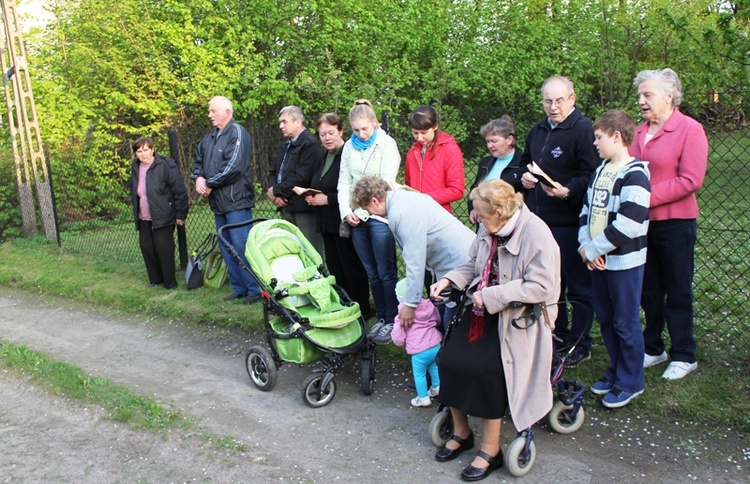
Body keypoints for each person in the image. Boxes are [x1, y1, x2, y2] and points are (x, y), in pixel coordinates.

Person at [430, 179, 560, 481]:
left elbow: (542, 286)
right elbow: (473, 264)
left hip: (519, 318)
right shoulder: (488, 226)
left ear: (500, 212)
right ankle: (462, 433)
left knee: (486, 371)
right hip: (480, 309)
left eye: (480, 213)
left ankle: (491, 450)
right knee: (449, 360)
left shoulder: (536, 234)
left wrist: (491, 296)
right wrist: (449, 280)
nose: (475, 217)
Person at [629, 68, 708, 380]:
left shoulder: (690, 129)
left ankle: (684, 353)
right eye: (640, 96)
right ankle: (653, 347)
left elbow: (691, 180)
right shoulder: (637, 132)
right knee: (649, 289)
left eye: (647, 95)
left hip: (676, 223)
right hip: (642, 226)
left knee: (677, 290)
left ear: (669, 96)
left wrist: (642, 198)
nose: (641, 101)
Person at [520, 76, 600, 367]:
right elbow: (525, 161)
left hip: (570, 221)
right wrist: (525, 178)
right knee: (551, 282)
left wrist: (567, 191)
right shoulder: (538, 130)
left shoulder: (583, 130)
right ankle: (558, 333)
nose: (553, 107)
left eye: (559, 100)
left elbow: (592, 174)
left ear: (572, 98)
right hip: (540, 220)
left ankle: (581, 341)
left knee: (578, 286)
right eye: (547, 101)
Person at [578, 110, 651, 408]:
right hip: (596, 261)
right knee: (606, 318)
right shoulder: (600, 170)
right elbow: (586, 211)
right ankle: (616, 370)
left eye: (598, 137)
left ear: (616, 136)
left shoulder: (635, 173)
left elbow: (630, 223)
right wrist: (585, 247)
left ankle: (631, 380)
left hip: (623, 263)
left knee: (625, 321)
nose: (595, 143)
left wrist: (595, 249)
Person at [350, 175, 475, 331]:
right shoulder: (402, 198)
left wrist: (410, 304)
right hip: (459, 258)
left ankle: (450, 352)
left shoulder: (401, 213)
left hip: (460, 263)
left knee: (453, 323)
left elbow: (415, 262)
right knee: (444, 317)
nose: (372, 215)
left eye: (368, 210)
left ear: (375, 201)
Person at [337, 99, 401, 344]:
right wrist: (346, 212)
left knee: (386, 272)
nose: (361, 134)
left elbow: (386, 181)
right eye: (356, 130)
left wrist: (363, 213)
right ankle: (382, 318)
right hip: (355, 218)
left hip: (378, 215)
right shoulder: (348, 148)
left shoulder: (387, 144)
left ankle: (394, 318)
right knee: (371, 272)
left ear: (375, 123)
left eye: (365, 128)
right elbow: (344, 182)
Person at [192, 96, 261, 305]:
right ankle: (238, 288)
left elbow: (234, 166)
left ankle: (254, 289)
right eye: (209, 111)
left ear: (227, 112)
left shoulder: (238, 133)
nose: (209, 115)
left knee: (242, 246)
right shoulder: (209, 138)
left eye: (213, 111)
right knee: (226, 246)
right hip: (218, 203)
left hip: (236, 200)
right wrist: (198, 179)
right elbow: (198, 161)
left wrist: (209, 182)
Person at [305, 113, 371, 317]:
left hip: (344, 219)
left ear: (341, 131)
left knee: (351, 266)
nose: (327, 138)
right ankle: (344, 304)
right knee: (335, 267)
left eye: (331, 133)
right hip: (326, 221)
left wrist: (328, 199)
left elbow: (352, 187)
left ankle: (362, 308)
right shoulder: (324, 156)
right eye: (322, 134)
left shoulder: (348, 153)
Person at [130, 137, 189, 290]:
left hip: (163, 214)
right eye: (139, 151)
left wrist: (180, 213)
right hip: (144, 216)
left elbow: (179, 190)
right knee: (147, 246)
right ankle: (155, 279)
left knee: (164, 248)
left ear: (152, 149)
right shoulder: (135, 167)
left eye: (145, 150)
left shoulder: (165, 164)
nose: (143, 154)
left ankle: (170, 282)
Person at [267, 106, 326, 257]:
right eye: (280, 122)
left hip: (303, 208)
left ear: (298, 122)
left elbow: (301, 177)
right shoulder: (285, 145)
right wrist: (275, 194)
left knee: (310, 250)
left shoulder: (310, 145)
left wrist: (277, 191)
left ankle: (319, 279)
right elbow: (274, 172)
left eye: (284, 122)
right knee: (292, 250)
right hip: (285, 206)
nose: (281, 126)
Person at [404, 105, 465, 213]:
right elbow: (409, 187)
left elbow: (457, 190)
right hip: (414, 214)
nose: (419, 138)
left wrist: (424, 199)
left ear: (435, 126)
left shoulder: (450, 149)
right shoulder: (412, 153)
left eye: (424, 133)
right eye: (415, 133)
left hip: (438, 215)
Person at [392, 279, 442, 408]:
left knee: (419, 374)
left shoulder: (402, 315)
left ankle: (423, 397)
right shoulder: (429, 306)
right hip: (435, 343)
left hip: (419, 350)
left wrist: (399, 342)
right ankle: (437, 387)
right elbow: (437, 319)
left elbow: (398, 336)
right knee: (433, 367)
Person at [468, 116, 525, 225]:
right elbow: (475, 189)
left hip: (510, 225)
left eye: (494, 141)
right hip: (484, 226)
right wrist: (473, 209)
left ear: (510, 139)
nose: (490, 145)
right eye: (488, 141)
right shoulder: (485, 163)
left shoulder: (523, 163)